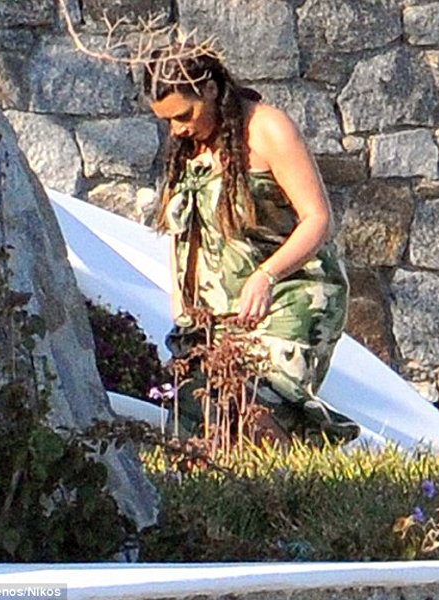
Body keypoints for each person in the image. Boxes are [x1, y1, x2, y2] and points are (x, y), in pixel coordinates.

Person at [143, 43, 358, 442]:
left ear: (210, 89)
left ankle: (284, 475)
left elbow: (317, 219)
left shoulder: (267, 129)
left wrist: (266, 275)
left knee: (255, 403)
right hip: (218, 311)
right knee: (202, 416)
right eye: (167, 121)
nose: (177, 129)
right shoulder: (189, 148)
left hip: (290, 292)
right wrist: (184, 316)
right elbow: (182, 239)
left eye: (184, 115)